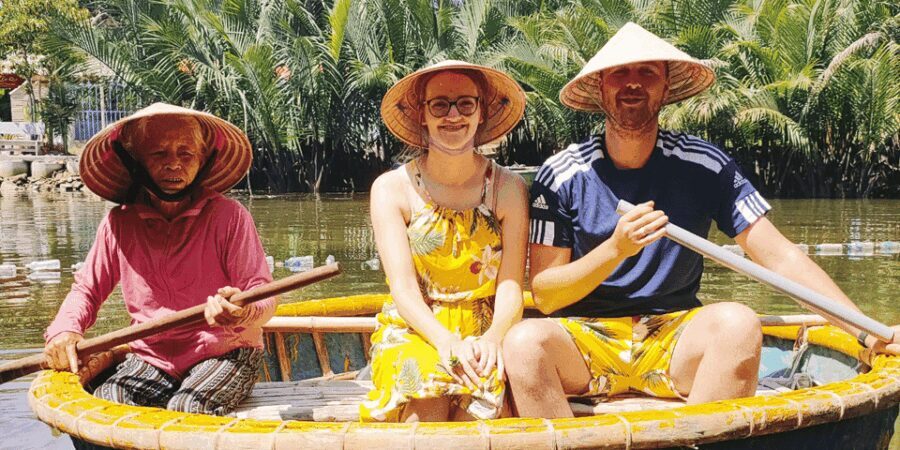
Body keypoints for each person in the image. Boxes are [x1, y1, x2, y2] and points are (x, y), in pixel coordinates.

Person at [502, 22, 900, 418]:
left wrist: (865, 331)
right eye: (620, 73)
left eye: (647, 73)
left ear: (665, 87)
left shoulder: (703, 164)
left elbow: (779, 257)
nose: (633, 84)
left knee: (739, 324)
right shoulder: (563, 174)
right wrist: (615, 249)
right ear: (601, 88)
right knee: (523, 344)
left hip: (674, 334)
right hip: (586, 338)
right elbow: (547, 294)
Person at [43, 103, 275, 420]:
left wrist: (242, 309)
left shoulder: (229, 217)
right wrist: (64, 333)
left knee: (186, 409)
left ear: (203, 160)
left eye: (186, 154)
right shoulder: (119, 224)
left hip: (227, 351)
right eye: (159, 154)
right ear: (135, 160)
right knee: (110, 405)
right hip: (153, 356)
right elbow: (87, 290)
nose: (174, 165)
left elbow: (262, 292)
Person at [360, 60, 529, 422]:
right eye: (439, 104)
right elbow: (403, 289)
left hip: (485, 328)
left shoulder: (509, 188)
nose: (453, 115)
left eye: (465, 104)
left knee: (485, 390)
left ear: (481, 112)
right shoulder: (391, 189)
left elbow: (511, 285)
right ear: (422, 115)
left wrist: (495, 338)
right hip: (416, 328)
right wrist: (445, 341)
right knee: (429, 382)